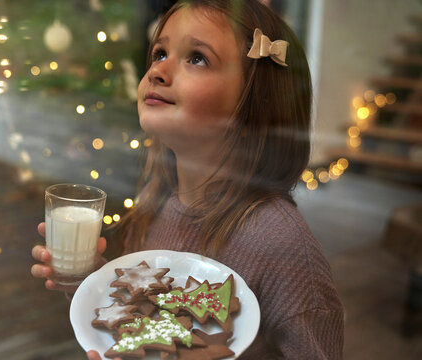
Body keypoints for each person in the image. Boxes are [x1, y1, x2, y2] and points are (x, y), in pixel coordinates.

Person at [31, 0, 344, 359]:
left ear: (255, 105)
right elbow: (156, 327)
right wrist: (94, 285)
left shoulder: (284, 248)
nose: (158, 71)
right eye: (160, 52)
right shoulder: (156, 204)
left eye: (197, 57)